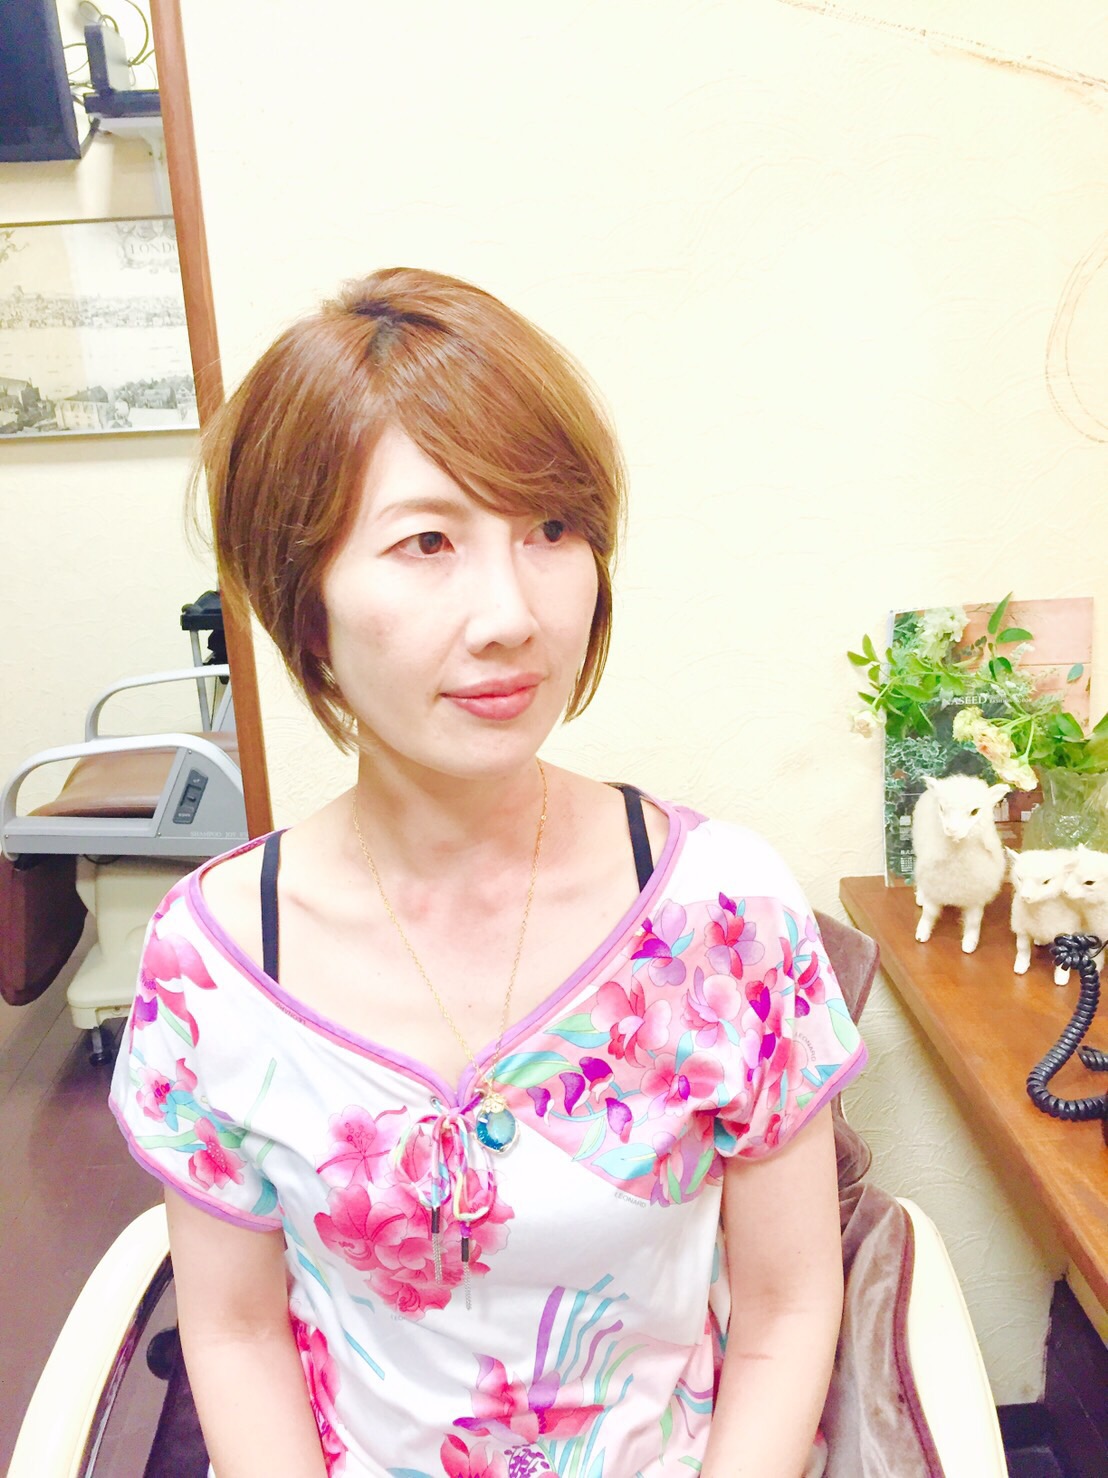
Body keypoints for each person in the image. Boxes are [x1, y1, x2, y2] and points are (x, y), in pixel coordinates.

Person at [109, 267, 866, 1478]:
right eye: (426, 541)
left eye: (550, 530)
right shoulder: (214, 964)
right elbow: (237, 1331)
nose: (512, 614)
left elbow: (786, 1309)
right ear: (306, 604)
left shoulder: (724, 912)